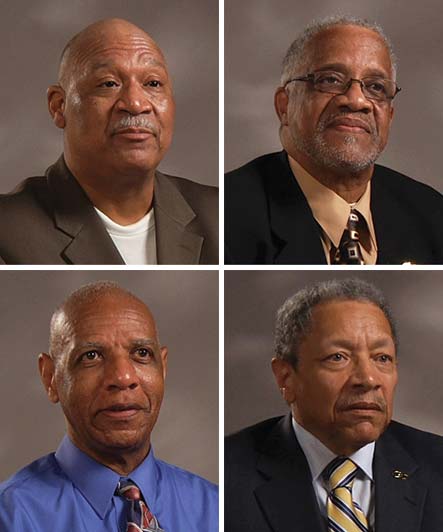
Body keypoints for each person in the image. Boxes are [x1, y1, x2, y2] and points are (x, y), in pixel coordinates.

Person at [225, 278, 443, 531]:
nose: (368, 379)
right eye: (338, 357)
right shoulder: (229, 479)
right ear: (286, 377)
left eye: (382, 358)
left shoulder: (437, 465)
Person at [0, 281, 218, 531]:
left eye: (142, 353)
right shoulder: (12, 516)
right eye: (91, 356)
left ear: (163, 368)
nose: (123, 377)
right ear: (50, 377)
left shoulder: (214, 508)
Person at [225, 16, 443, 265]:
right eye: (330, 80)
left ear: (390, 116)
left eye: (375, 87)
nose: (356, 100)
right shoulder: (226, 217)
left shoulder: (432, 215)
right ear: (284, 105)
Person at [0, 18, 218, 265]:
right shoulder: (8, 234)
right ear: (59, 106)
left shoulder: (222, 214)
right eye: (109, 84)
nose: (136, 104)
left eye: (153, 83)